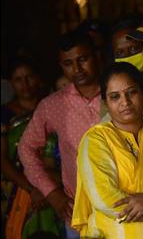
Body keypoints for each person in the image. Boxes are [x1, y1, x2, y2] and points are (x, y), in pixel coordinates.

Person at [72, 62, 143, 238]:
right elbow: (106, 201)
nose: (125, 102)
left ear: (142, 93)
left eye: (131, 92)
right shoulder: (96, 139)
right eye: (115, 97)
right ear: (105, 102)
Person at [18, 31, 102, 238]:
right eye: (68, 63)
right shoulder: (53, 105)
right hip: (78, 212)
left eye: (83, 59)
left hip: (128, 206)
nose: (77, 69)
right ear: (60, 65)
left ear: (97, 56)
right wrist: (52, 193)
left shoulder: (120, 91)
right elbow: (26, 148)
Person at [1, 58, 63, 238]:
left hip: (56, 186)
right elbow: (2, 160)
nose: (24, 84)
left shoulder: (52, 108)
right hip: (18, 189)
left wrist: (48, 187)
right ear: (11, 82)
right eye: (18, 79)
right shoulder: (4, 114)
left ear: (39, 78)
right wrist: (32, 189)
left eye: (29, 77)